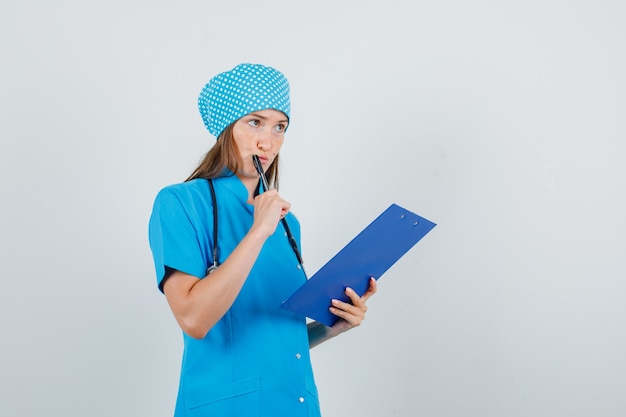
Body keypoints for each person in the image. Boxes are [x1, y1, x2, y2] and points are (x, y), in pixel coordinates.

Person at [148, 63, 377, 417]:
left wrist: (332, 327)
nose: (267, 142)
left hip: (295, 404)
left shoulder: (287, 224)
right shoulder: (181, 203)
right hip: (226, 407)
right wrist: (258, 231)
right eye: (254, 122)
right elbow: (194, 319)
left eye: (279, 127)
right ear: (227, 127)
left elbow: (272, 332)